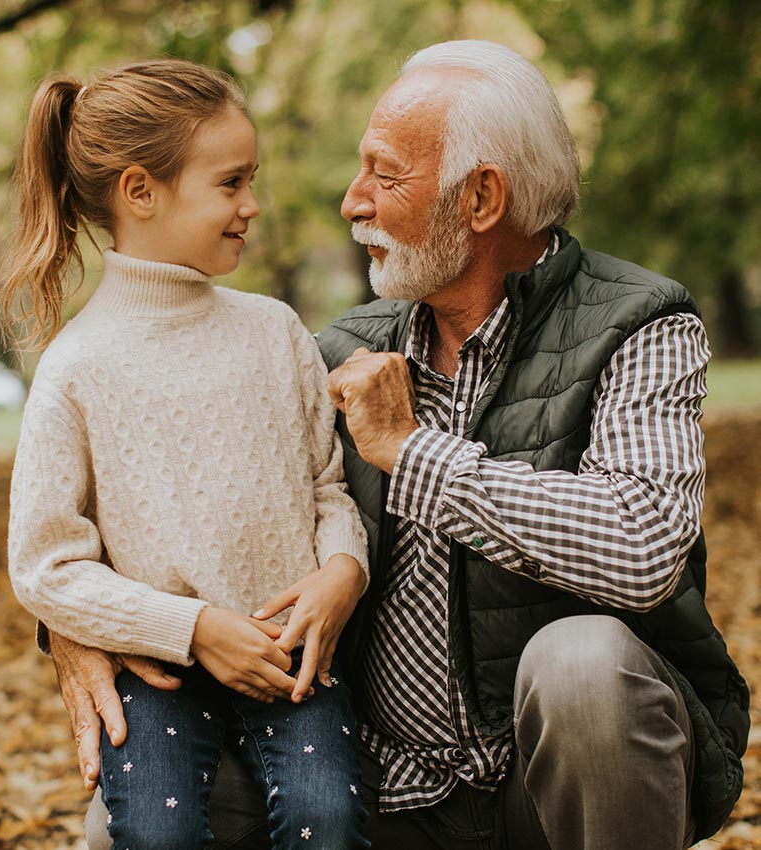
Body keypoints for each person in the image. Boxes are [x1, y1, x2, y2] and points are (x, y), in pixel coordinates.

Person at [53, 41, 750, 850]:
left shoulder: (640, 325)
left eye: (385, 175)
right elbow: (167, 486)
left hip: (543, 796)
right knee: (116, 824)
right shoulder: (330, 350)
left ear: (481, 197)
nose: (353, 203)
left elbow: (644, 544)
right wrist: (73, 629)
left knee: (583, 664)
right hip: (367, 785)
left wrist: (412, 452)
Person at [0, 59, 371, 850]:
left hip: (290, 658)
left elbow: (327, 489)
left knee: (327, 819)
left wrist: (344, 571)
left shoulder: (276, 332)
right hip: (157, 671)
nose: (252, 204)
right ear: (141, 192)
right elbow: (44, 565)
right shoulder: (77, 366)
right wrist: (191, 627)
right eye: (230, 183)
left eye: (251, 179)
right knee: (156, 839)